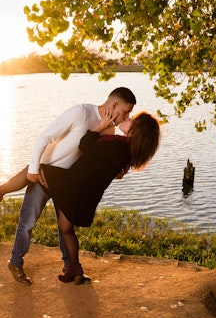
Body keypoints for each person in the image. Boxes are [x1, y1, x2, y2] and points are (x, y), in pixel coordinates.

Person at [0, 87, 136, 285]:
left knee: (65, 228)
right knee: (28, 223)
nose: (127, 116)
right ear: (113, 105)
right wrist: (34, 169)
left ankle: (70, 267)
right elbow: (45, 136)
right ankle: (15, 263)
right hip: (45, 175)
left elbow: (94, 162)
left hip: (68, 181)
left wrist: (115, 171)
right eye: (126, 111)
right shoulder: (81, 112)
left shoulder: (109, 130)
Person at [41, 109, 161, 283]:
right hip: (86, 192)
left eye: (132, 119)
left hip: (77, 187)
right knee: (65, 227)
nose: (127, 117)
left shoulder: (119, 146)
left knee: (36, 170)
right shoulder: (125, 150)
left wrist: (99, 126)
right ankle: (75, 269)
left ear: (137, 130)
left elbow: (85, 145)